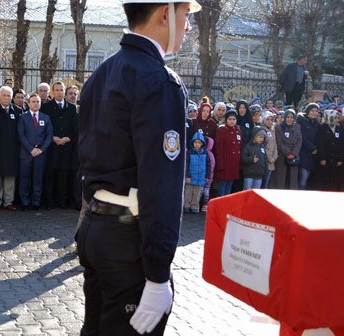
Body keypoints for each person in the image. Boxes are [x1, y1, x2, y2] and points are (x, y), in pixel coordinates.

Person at [76, 0, 200, 334]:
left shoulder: (103, 72)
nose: (187, 27)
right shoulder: (159, 81)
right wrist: (158, 275)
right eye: (185, 16)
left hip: (97, 227)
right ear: (164, 14)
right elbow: (162, 185)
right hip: (129, 243)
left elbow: (87, 155)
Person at [41, 81, 78, 209]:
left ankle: (63, 201)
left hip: (67, 146)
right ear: (52, 92)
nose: (59, 92)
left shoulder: (72, 108)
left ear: (64, 92)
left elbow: (75, 127)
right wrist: (52, 137)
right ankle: (49, 201)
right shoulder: (46, 107)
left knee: (64, 175)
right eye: (56, 90)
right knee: (50, 174)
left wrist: (69, 138)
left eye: (61, 90)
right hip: (51, 146)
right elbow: (43, 127)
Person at [0, 86, 21, 211]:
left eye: (9, 95)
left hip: (12, 149)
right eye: (4, 95)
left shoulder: (17, 111)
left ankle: (8, 201)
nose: (6, 98)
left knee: (10, 176)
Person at [18, 95, 53, 211]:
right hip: (26, 154)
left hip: (40, 154)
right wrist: (31, 149)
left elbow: (49, 136)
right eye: (33, 101)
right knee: (24, 179)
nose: (36, 103)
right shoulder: (22, 117)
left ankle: (36, 202)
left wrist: (41, 149)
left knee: (38, 179)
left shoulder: (46, 118)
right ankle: (25, 202)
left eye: (38, 101)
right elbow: (21, 135)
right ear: (28, 103)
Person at [314, 109, 344, 191]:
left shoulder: (339, 128)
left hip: (335, 159)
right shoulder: (321, 128)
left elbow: (341, 144)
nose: (336, 119)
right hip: (325, 159)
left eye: (337, 118)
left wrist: (340, 158)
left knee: (333, 181)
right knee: (323, 181)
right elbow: (319, 144)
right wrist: (322, 158)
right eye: (334, 118)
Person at [214, 110, 242, 196]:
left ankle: (226, 205)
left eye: (234, 119)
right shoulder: (221, 130)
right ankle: (220, 205)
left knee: (229, 185)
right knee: (222, 185)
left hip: (234, 163)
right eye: (229, 119)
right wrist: (220, 164)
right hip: (225, 163)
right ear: (226, 120)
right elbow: (219, 148)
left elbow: (240, 147)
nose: (232, 121)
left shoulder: (238, 130)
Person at [272, 109, 302, 189]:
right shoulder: (278, 127)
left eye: (292, 117)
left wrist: (293, 153)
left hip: (294, 156)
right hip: (282, 155)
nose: (290, 119)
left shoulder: (297, 127)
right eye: (288, 117)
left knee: (292, 179)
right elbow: (279, 142)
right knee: (281, 179)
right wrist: (288, 153)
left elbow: (299, 141)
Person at [184, 132, 209, 214]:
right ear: (192, 143)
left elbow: (208, 165)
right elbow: (186, 165)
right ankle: (186, 206)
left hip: (200, 178)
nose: (197, 144)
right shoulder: (189, 153)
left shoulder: (205, 153)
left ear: (202, 143)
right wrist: (187, 175)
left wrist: (207, 176)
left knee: (197, 194)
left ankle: (195, 207)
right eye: (195, 142)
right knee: (188, 193)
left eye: (199, 142)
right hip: (190, 178)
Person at [296, 103, 320, 190]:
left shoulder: (316, 123)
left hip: (313, 155)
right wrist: (312, 147)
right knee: (302, 179)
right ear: (308, 111)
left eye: (316, 111)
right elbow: (302, 137)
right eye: (312, 111)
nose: (314, 113)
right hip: (303, 153)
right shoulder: (301, 121)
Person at [261, 111, 278, 188]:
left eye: (271, 119)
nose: (269, 121)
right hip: (264, 161)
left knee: (266, 183)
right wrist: (269, 158)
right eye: (267, 119)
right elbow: (263, 146)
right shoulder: (261, 130)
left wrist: (274, 157)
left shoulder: (272, 130)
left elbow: (275, 145)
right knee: (263, 184)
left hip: (272, 161)